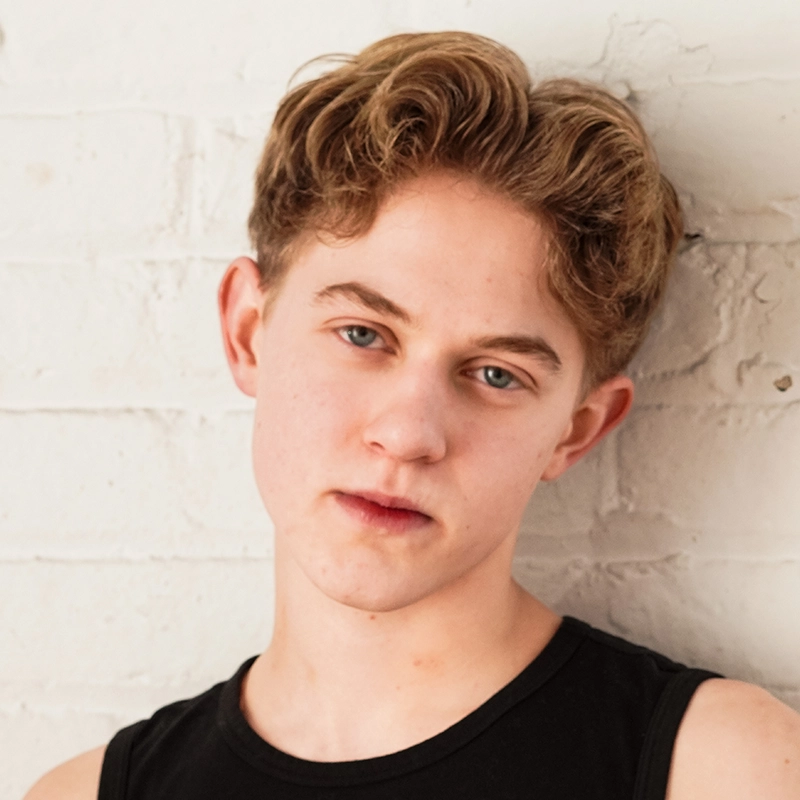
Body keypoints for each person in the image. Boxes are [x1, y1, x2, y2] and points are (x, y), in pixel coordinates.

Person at [25, 30, 800, 800]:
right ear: (248, 333)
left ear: (577, 428)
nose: (407, 434)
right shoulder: (81, 795)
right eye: (363, 335)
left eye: (496, 374)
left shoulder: (723, 769)